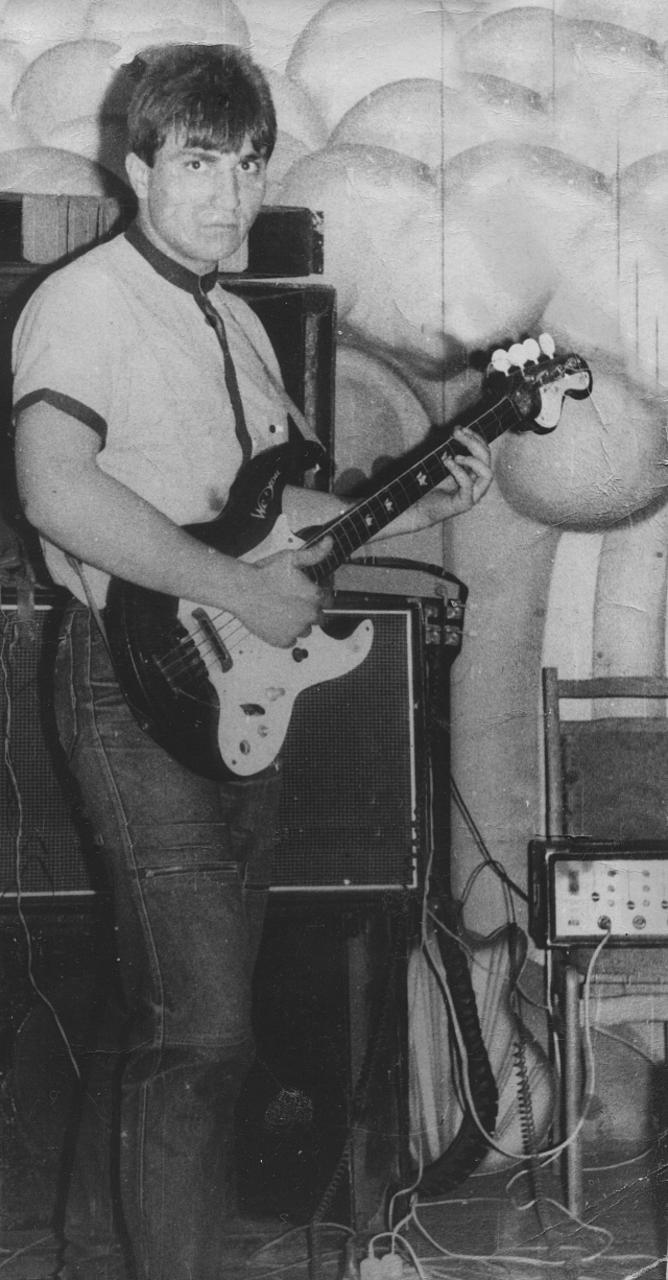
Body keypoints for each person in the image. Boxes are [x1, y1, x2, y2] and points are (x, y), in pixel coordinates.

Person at [11, 42, 493, 1280]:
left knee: (167, 1012)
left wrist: (424, 501)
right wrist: (235, 591)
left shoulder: (235, 323)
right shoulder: (86, 301)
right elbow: (56, 489)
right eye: (197, 163)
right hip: (131, 681)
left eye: (247, 164)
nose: (228, 193)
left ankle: (89, 1254)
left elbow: (277, 517)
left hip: (228, 691)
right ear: (137, 170)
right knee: (203, 1029)